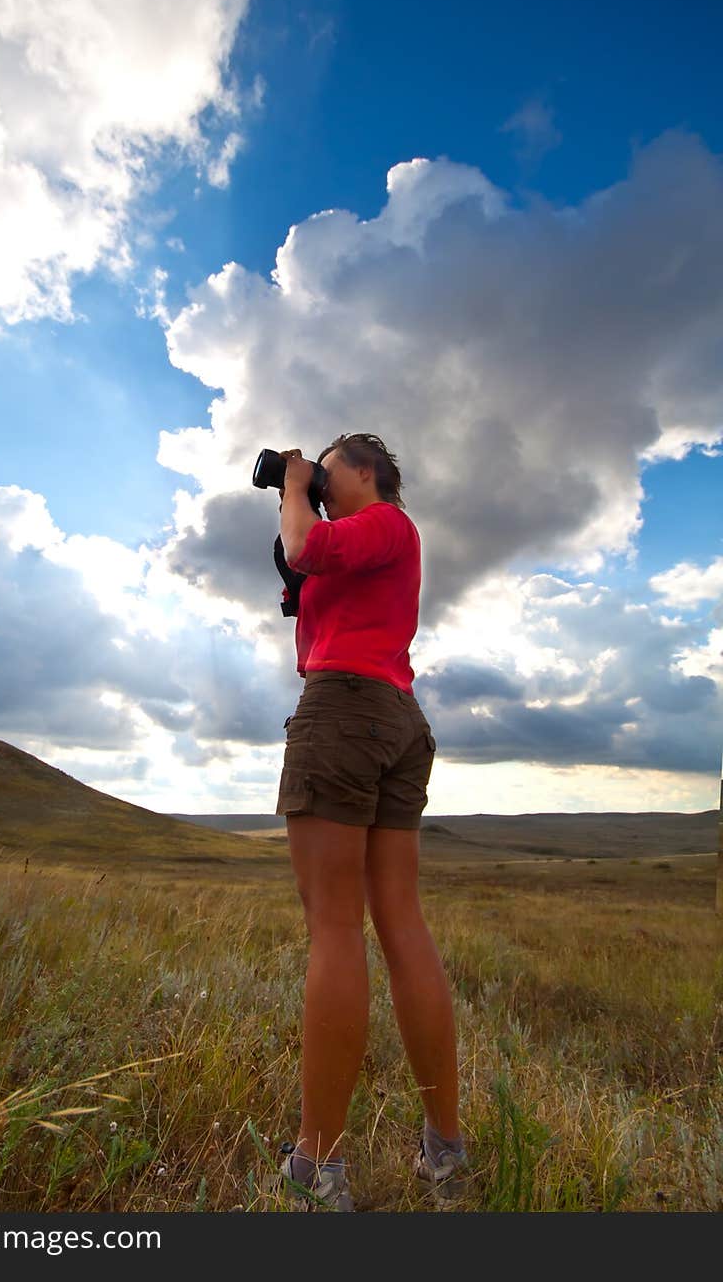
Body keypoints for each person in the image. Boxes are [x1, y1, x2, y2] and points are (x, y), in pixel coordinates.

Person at [272, 434, 467, 1212]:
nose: (318, 478)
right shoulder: (375, 546)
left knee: (335, 929)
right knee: (400, 924)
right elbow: (301, 570)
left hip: (349, 710)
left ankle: (317, 1165)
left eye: (327, 468)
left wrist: (290, 483)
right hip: (394, 716)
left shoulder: (385, 520)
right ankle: (445, 1152)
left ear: (366, 472)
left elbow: (306, 542)